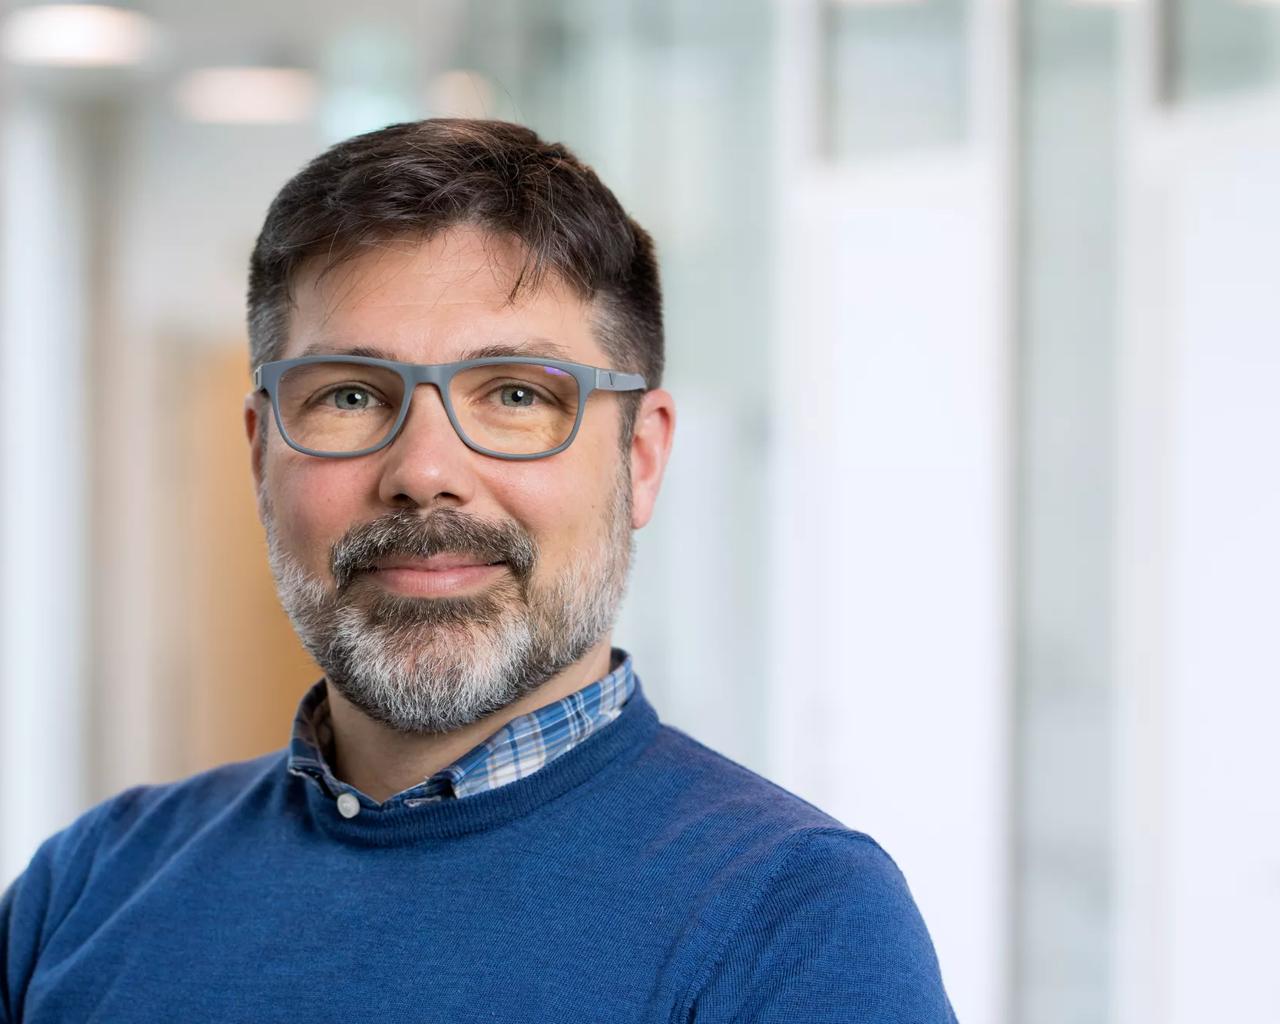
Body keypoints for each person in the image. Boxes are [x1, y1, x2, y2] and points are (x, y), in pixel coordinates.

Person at [0, 118, 958, 1023]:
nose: (424, 474)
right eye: (348, 395)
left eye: (513, 395)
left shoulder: (795, 925)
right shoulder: (84, 889)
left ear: (641, 460)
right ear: (261, 456)